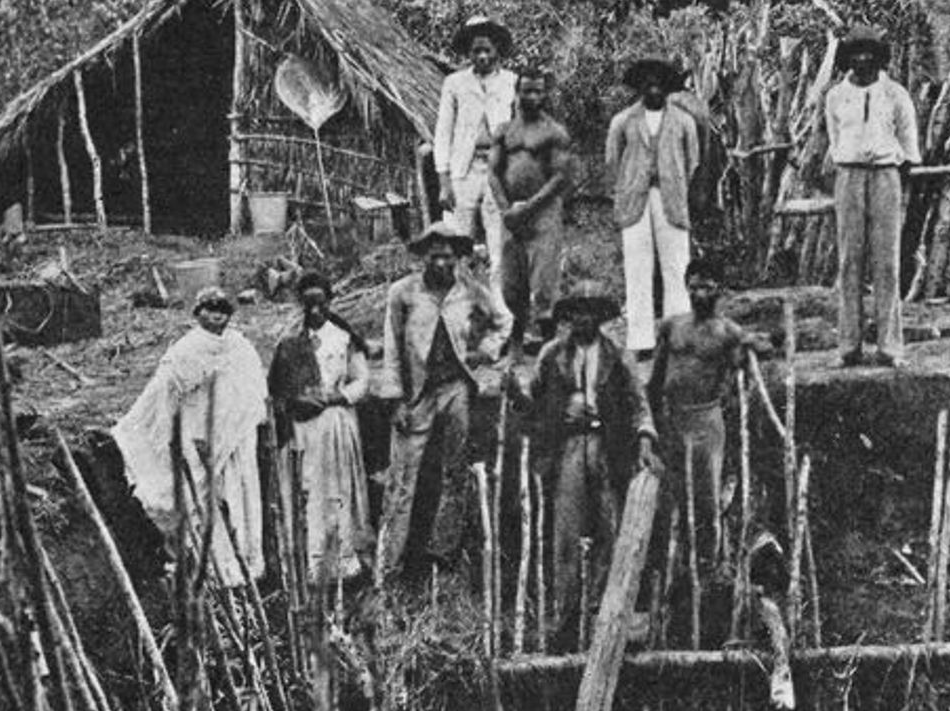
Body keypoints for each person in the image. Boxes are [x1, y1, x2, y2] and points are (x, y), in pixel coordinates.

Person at [517, 279, 659, 646]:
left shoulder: (617, 355)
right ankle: (566, 611)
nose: (583, 318)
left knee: (608, 525)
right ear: (568, 317)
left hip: (608, 446)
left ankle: (603, 609)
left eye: (590, 311)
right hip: (568, 446)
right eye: (576, 311)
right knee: (567, 528)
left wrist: (644, 436)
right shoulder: (552, 354)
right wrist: (526, 403)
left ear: (599, 317)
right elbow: (533, 399)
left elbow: (638, 401)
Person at [378, 221, 508, 583]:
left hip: (455, 387)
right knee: (403, 475)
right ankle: (389, 563)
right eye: (434, 258)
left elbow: (503, 323)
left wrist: (483, 351)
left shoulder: (470, 291)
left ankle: (444, 554)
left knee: (456, 469)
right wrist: (395, 399)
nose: (441, 265)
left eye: (448, 259)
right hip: (417, 391)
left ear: (458, 259)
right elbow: (391, 348)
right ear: (424, 257)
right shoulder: (402, 293)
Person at [112, 285, 265, 583]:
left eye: (222, 309)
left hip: (236, 440)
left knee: (239, 496)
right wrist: (167, 435)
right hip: (200, 438)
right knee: (204, 500)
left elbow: (254, 390)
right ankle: (214, 568)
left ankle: (245, 566)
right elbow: (162, 396)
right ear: (198, 314)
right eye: (209, 309)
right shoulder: (185, 351)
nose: (216, 316)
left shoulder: (241, 347)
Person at [647, 254, 758, 580]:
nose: (699, 295)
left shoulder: (728, 332)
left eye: (707, 288)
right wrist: (652, 421)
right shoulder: (672, 326)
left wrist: (760, 346)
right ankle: (673, 565)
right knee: (671, 493)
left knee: (706, 496)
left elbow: (743, 372)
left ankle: (708, 568)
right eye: (694, 288)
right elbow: (656, 376)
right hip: (672, 419)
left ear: (719, 290)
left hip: (706, 422)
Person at [266, 272, 374, 581]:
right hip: (302, 429)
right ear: (301, 303)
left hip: (335, 424)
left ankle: (342, 560)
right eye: (309, 304)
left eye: (321, 304)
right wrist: (295, 400)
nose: (315, 311)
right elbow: (275, 389)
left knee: (335, 488)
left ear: (330, 301)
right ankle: (309, 563)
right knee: (307, 488)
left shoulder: (343, 339)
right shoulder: (289, 341)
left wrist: (338, 395)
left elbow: (361, 379)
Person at [823, 25, 920, 368]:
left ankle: (890, 346)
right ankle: (848, 347)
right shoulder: (836, 96)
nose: (862, 59)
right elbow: (835, 140)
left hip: (885, 176)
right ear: (847, 59)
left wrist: (894, 179)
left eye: (869, 53)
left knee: (887, 262)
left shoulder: (895, 93)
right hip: (848, 176)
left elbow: (908, 144)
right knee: (850, 261)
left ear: (879, 58)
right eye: (855, 53)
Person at [604, 56, 700, 358]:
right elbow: (612, 162)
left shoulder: (684, 122)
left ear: (668, 85)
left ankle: (678, 337)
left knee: (677, 268)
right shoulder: (623, 121)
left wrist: (676, 183)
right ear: (639, 86)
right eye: (647, 80)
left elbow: (693, 161)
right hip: (635, 201)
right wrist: (627, 187)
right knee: (637, 268)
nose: (653, 86)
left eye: (659, 80)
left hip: (670, 199)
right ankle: (641, 340)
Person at [434, 15, 517, 342]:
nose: (482, 57)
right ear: (469, 52)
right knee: (456, 244)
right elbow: (443, 132)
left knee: (500, 250)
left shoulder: (511, 82)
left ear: (497, 50)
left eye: (487, 50)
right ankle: (457, 322)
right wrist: (444, 180)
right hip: (463, 172)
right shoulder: (455, 84)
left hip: (498, 172)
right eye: (476, 51)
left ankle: (502, 324)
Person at [488, 61, 574, 352]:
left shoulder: (554, 132)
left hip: (543, 213)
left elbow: (560, 177)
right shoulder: (503, 132)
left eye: (538, 92)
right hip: (512, 215)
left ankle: (549, 347)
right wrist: (506, 210)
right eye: (527, 92)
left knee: (543, 282)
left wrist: (529, 208)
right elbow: (493, 172)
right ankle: (516, 340)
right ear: (517, 92)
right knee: (512, 283)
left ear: (545, 94)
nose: (532, 98)